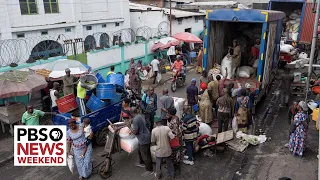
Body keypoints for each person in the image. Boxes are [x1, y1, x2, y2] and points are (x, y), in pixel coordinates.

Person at [130, 107, 154, 176]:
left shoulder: (136, 120)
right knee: (139, 150)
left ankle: (150, 170)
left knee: (145, 155)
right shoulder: (139, 115)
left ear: (131, 113)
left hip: (143, 138)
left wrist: (129, 127)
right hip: (145, 136)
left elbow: (135, 132)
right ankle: (142, 163)